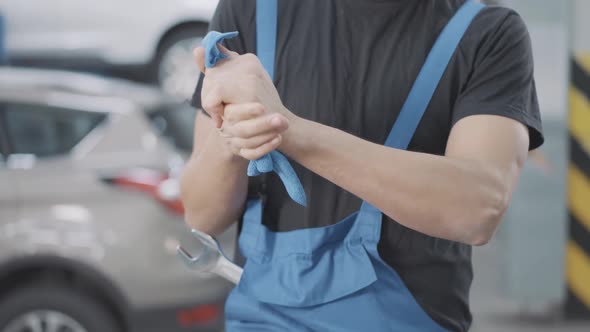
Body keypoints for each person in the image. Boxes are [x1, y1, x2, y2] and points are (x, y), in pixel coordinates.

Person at [181, 0, 544, 330]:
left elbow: (477, 207)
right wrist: (231, 131)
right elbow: (201, 215)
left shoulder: (488, 34)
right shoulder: (251, 10)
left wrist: (290, 131)